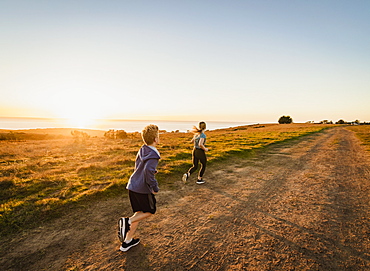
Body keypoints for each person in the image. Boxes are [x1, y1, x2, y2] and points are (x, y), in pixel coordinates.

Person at [118, 124, 160, 252]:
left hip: (133, 185)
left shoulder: (143, 149)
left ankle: (127, 242)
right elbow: (147, 170)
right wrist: (154, 187)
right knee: (150, 211)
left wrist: (153, 171)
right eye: (158, 136)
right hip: (142, 188)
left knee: (139, 213)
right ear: (155, 139)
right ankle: (127, 221)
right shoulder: (154, 154)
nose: (159, 138)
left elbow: (142, 167)